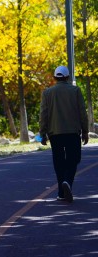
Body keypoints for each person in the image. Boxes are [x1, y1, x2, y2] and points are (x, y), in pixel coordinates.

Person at [39, 65, 89, 202]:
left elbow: (44, 114)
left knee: (59, 161)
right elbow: (82, 113)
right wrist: (85, 131)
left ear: (55, 77)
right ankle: (67, 181)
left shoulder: (47, 93)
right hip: (72, 132)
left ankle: (61, 192)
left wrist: (42, 133)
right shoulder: (75, 91)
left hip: (55, 133)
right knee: (73, 159)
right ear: (67, 77)